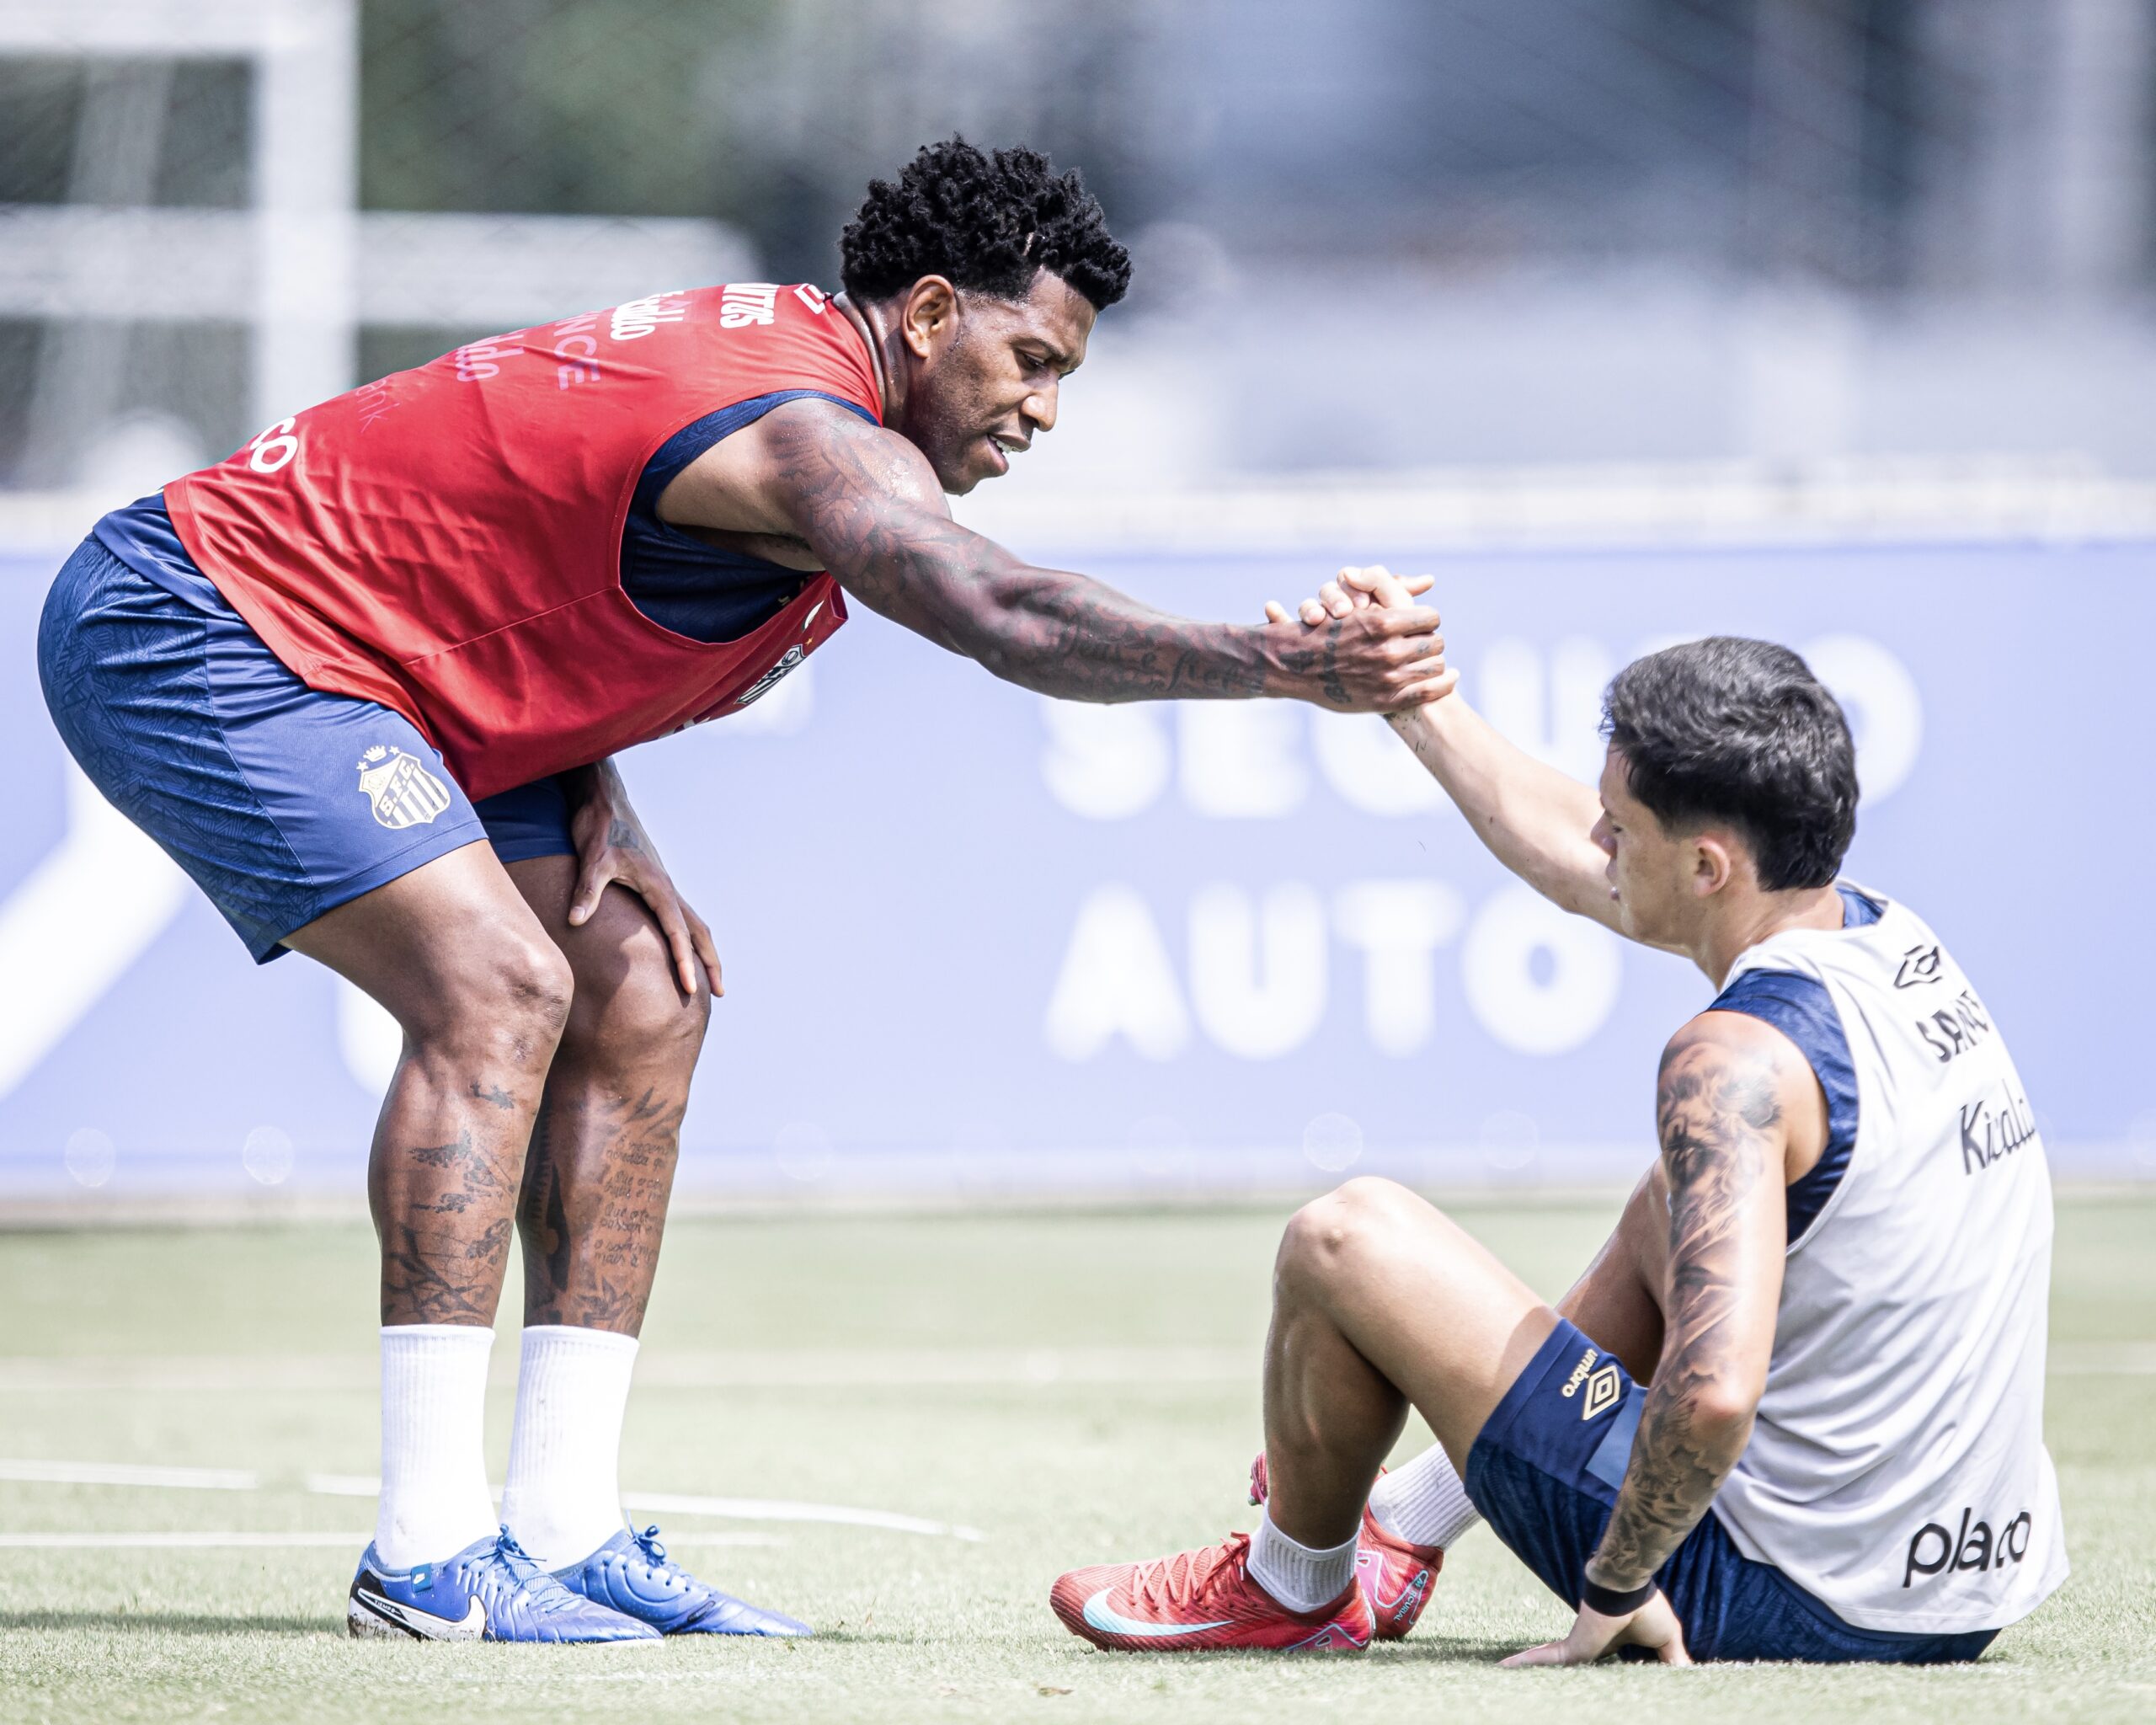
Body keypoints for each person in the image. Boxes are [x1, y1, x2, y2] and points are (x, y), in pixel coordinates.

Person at [35, 142, 1451, 1646]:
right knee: (499, 989)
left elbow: (506, 537)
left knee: (645, 996)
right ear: (926, 314)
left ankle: (565, 1531)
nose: (1044, 408)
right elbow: (1004, 613)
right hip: (198, 622)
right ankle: (426, 1556)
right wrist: (1290, 665)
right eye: (1031, 360)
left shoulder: (805, 394)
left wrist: (590, 773)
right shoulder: (805, 433)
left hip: (388, 668)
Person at [1052, 571, 2066, 1664]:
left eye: (1619, 826)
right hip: (1960, 1591)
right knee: (1676, 1201)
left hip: (1795, 1604)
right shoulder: (1879, 936)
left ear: (1707, 866)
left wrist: (1616, 1584)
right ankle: (1406, 1522)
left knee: (1344, 1238)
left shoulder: (1729, 1062)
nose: (1597, 840)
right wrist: (1413, 697)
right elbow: (1576, 854)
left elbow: (1716, 1396)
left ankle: (1291, 1586)